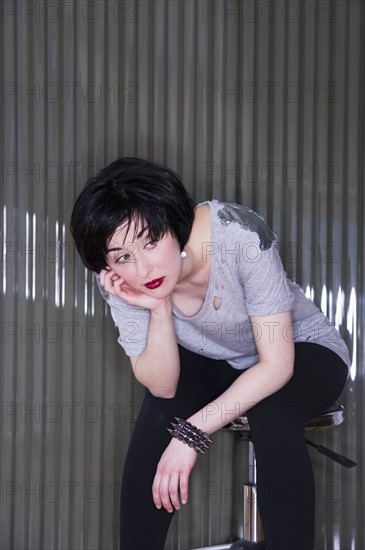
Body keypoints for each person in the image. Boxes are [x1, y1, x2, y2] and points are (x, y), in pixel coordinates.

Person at [70, 157, 350, 550]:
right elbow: (164, 386)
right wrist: (158, 307)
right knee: (159, 411)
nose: (144, 265)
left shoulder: (238, 233)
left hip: (301, 349)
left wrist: (191, 434)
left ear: (174, 221)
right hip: (223, 358)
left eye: (151, 240)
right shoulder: (123, 282)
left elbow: (276, 366)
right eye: (122, 256)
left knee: (272, 410)